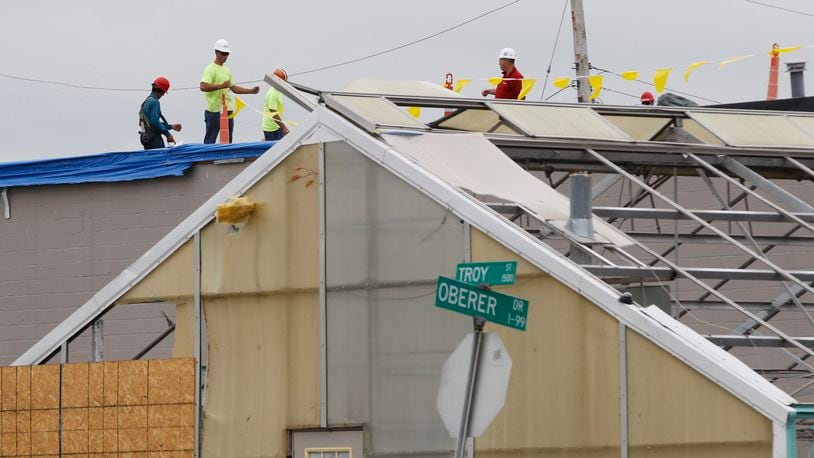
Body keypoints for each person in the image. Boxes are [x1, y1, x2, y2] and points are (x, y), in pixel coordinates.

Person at [199, 39, 260, 144]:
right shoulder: (210, 69)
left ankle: (226, 159)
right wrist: (221, 86)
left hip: (228, 110)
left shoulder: (227, 70)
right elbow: (203, 86)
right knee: (210, 139)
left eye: (227, 54)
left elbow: (233, 88)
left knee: (228, 140)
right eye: (223, 53)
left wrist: (251, 91)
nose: (225, 56)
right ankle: (207, 159)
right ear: (216, 52)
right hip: (214, 111)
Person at [138, 76, 182, 150]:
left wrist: (171, 126)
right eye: (163, 93)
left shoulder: (146, 102)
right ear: (160, 91)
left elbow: (151, 122)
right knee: (160, 159)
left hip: (146, 136)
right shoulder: (155, 102)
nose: (163, 95)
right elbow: (155, 122)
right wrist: (168, 134)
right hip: (154, 138)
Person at [262, 68, 290, 141]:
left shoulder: (280, 91)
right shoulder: (272, 94)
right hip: (271, 129)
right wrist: (284, 128)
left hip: (277, 126)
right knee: (275, 150)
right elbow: (273, 113)